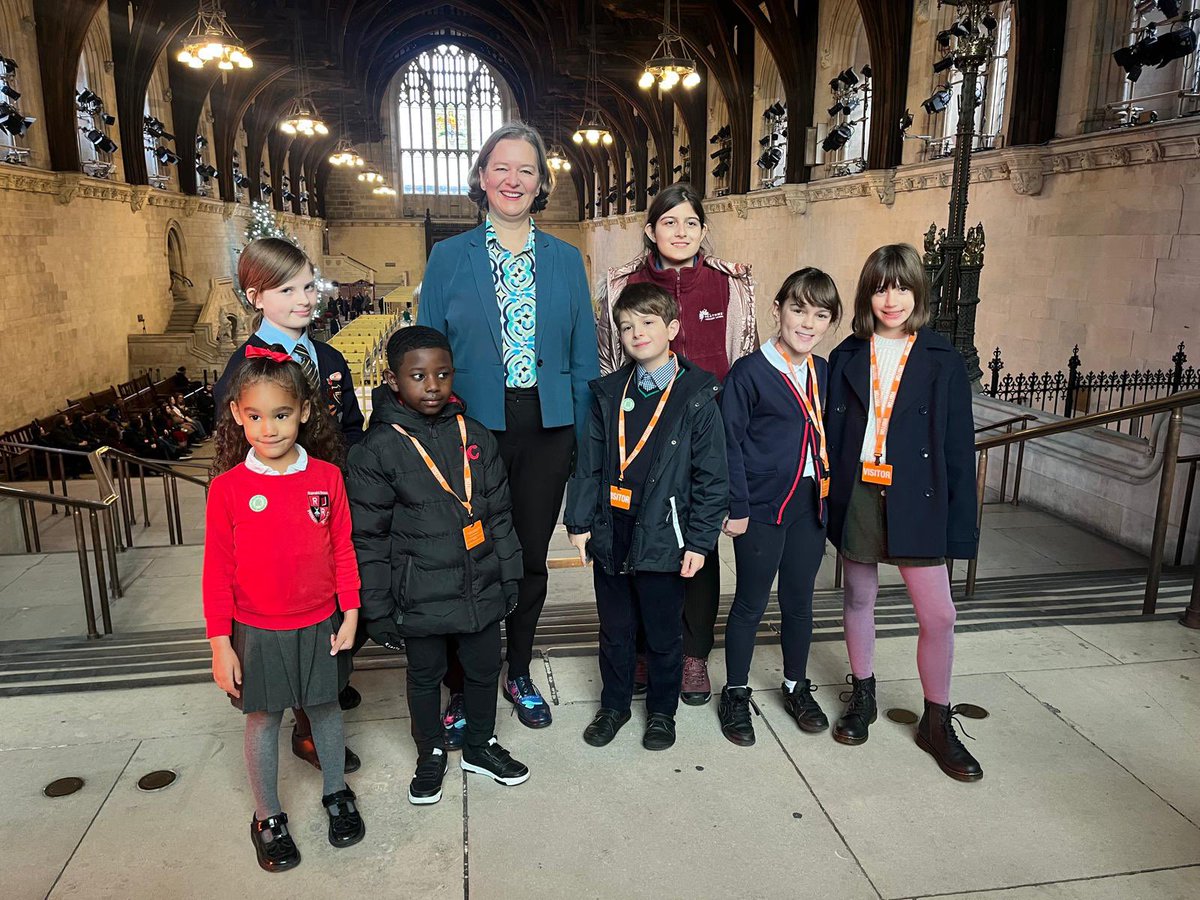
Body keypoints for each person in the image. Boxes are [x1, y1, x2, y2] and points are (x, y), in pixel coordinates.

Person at [418, 121, 599, 732]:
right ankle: (463, 686)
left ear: (541, 181)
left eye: (526, 169)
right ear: (480, 178)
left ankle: (516, 671)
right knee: (467, 558)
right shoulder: (448, 257)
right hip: (471, 425)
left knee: (526, 560)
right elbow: (427, 350)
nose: (513, 179)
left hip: (546, 427)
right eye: (501, 167)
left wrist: (577, 436)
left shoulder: (566, 260)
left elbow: (582, 355)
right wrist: (434, 428)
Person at [348, 326, 529, 803]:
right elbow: (368, 539)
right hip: (419, 595)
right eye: (418, 376)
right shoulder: (376, 449)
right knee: (425, 676)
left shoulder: (476, 436)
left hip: (480, 587)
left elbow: (500, 516)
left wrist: (510, 576)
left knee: (484, 669)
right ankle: (429, 751)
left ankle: (480, 744)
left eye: (443, 374)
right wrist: (378, 608)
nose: (433, 386)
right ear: (392, 380)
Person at [202, 347, 365, 873]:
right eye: (255, 416)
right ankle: (267, 816)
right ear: (237, 415)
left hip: (320, 622)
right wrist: (220, 643)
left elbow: (342, 547)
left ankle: (337, 792)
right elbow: (216, 572)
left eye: (282, 414)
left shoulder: (327, 479)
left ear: (306, 412)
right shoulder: (228, 490)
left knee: (325, 711)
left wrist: (352, 610)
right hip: (256, 628)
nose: (268, 429)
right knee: (263, 721)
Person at [594, 182, 756, 706]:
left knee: (696, 546)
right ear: (650, 230)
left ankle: (691, 653)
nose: (680, 232)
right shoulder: (621, 284)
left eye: (690, 222)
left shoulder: (731, 285)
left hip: (705, 434)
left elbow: (744, 361)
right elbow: (606, 361)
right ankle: (644, 649)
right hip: (641, 438)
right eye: (669, 222)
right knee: (639, 543)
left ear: (704, 230)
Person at [824, 243, 982, 782]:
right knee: (859, 596)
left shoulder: (941, 359)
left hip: (919, 493)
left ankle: (936, 721)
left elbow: (960, 448)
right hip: (860, 489)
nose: (891, 299)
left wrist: (962, 530)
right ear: (868, 292)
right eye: (881, 287)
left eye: (902, 287)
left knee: (939, 614)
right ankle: (863, 694)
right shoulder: (847, 355)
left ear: (918, 292)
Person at [214, 237, 366, 774]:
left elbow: (349, 426)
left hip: (328, 500)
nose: (305, 299)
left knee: (330, 606)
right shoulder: (245, 368)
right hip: (274, 511)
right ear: (256, 296)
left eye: (309, 286)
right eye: (288, 290)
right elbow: (232, 449)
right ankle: (307, 727)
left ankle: (321, 689)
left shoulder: (326, 356)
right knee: (287, 617)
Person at [564, 282, 729, 751]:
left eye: (648, 322)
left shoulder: (696, 395)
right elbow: (588, 461)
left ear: (673, 328)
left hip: (666, 535)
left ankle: (661, 711)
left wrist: (699, 541)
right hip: (612, 530)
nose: (637, 333)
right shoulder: (609, 392)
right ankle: (614, 705)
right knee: (615, 630)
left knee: (662, 631)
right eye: (626, 326)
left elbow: (712, 477)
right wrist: (579, 523)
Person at [716, 269, 841, 747]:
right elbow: (729, 444)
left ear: (830, 322)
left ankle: (794, 685)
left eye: (820, 314)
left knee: (800, 602)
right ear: (778, 309)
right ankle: (735, 691)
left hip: (810, 506)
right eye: (799, 309)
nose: (807, 323)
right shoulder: (749, 373)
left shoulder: (823, 370)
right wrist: (737, 506)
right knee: (750, 602)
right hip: (763, 508)